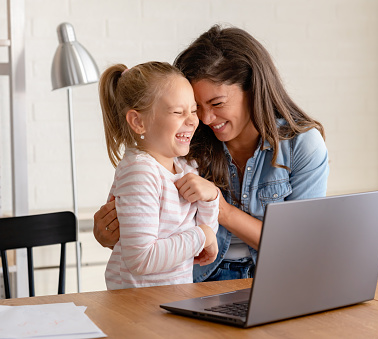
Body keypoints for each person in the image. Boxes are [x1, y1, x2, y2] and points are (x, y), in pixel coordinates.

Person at [94, 25, 329, 283]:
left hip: (275, 278)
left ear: (253, 89)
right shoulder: (184, 147)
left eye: (217, 104)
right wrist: (108, 232)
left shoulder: (302, 146)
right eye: (197, 107)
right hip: (198, 278)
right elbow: (144, 236)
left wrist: (221, 209)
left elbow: (300, 248)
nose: (204, 119)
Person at [98, 61, 220, 290]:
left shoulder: (186, 168)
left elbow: (208, 236)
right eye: (178, 112)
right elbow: (141, 258)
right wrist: (201, 236)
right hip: (137, 308)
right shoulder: (140, 173)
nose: (193, 120)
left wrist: (212, 197)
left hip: (172, 301)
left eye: (193, 110)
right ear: (138, 122)